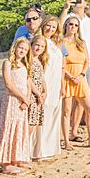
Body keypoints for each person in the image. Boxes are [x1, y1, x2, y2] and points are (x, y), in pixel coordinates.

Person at [0, 37, 34, 174]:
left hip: (23, 101)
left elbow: (28, 84)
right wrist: (22, 98)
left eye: (25, 49)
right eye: (20, 48)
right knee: (9, 128)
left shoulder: (25, 64)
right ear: (15, 47)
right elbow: (8, 84)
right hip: (12, 99)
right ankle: (6, 162)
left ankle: (17, 158)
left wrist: (27, 99)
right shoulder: (8, 63)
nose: (22, 51)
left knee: (20, 128)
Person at [61, 15, 90, 147]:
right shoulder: (61, 42)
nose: (73, 27)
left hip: (81, 76)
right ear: (66, 25)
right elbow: (61, 62)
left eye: (76, 25)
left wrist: (81, 75)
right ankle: (66, 140)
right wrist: (69, 75)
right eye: (71, 24)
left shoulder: (81, 42)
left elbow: (86, 61)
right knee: (66, 111)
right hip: (67, 77)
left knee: (89, 108)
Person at [31, 19, 64, 160]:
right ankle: (38, 150)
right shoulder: (39, 41)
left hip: (56, 83)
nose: (50, 29)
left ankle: (50, 148)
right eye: (48, 26)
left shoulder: (55, 44)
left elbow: (61, 66)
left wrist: (62, 85)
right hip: (44, 82)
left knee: (53, 114)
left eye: (53, 27)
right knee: (42, 115)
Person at [62, 0, 90, 87]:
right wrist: (66, 8)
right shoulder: (67, 18)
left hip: (89, 64)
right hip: (71, 63)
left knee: (85, 96)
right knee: (72, 96)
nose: (78, 0)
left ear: (85, 3)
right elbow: (58, 28)